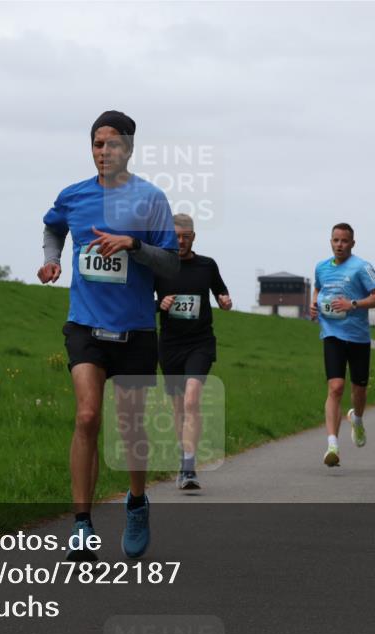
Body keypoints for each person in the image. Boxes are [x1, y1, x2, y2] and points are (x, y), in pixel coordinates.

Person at [38, 110, 179, 560]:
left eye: (113, 144)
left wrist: (133, 246)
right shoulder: (73, 196)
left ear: (129, 149)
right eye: (98, 144)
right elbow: (52, 225)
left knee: (131, 426)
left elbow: (172, 264)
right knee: (86, 417)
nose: (104, 152)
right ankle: (81, 525)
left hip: (135, 328)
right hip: (85, 324)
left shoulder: (151, 200)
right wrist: (52, 258)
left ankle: (136, 502)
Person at [154, 213, 232, 490]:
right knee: (178, 407)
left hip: (200, 342)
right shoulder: (161, 266)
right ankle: (184, 455)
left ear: (194, 237)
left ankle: (189, 468)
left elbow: (221, 292)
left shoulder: (206, 265)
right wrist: (159, 304)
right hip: (171, 344)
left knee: (191, 401)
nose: (181, 241)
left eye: (186, 236)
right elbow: (145, 302)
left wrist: (224, 299)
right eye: (176, 236)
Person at [310, 223, 375, 467]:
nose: (339, 245)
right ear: (330, 241)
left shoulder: (362, 267)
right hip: (332, 334)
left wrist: (352, 304)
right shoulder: (321, 267)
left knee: (359, 390)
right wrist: (314, 306)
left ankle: (357, 419)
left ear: (352, 243)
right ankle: (332, 444)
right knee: (335, 387)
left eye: (344, 241)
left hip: (358, 338)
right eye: (335, 240)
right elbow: (317, 289)